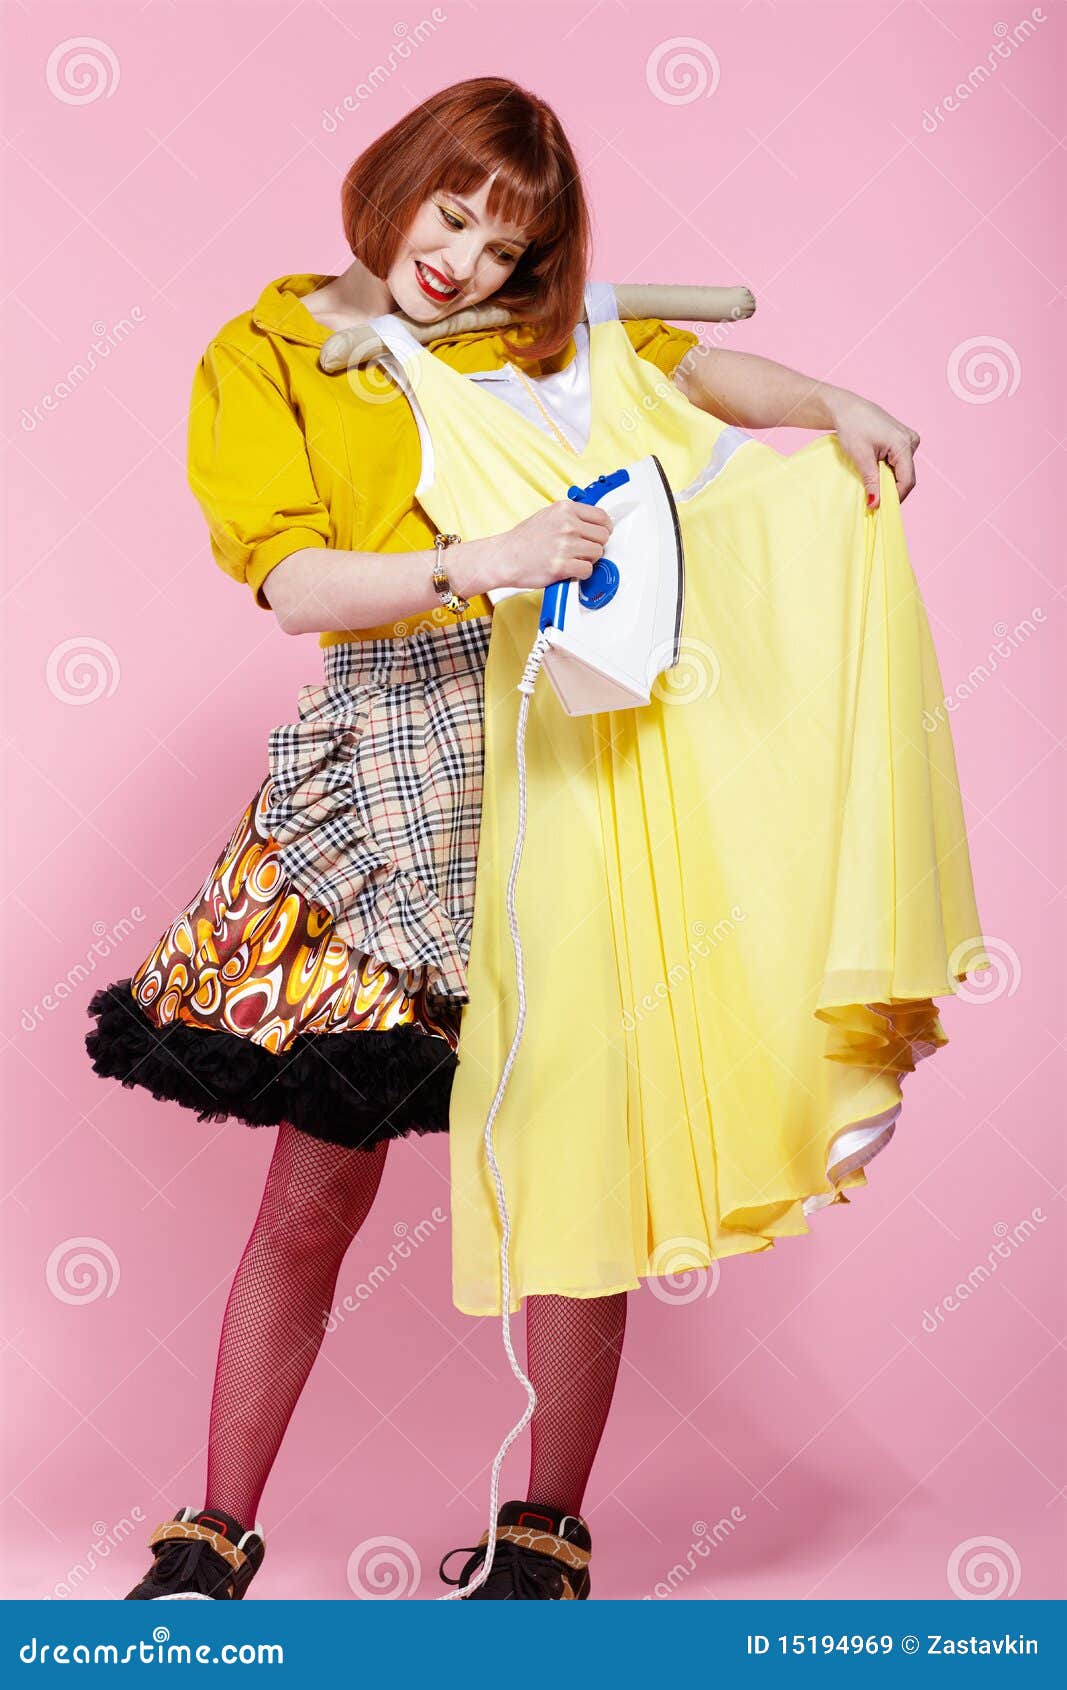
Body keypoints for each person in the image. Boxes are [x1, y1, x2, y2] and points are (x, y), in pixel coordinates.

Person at [83, 75, 986, 1603]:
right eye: (452, 214)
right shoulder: (272, 354)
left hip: (572, 761)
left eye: (505, 248)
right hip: (392, 773)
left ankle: (544, 1540)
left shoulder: (538, 341)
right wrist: (479, 560)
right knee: (317, 1186)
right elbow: (296, 586)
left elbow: (691, 375)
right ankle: (212, 1533)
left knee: (584, 1159)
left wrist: (837, 402)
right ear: (397, 181)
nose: (463, 263)